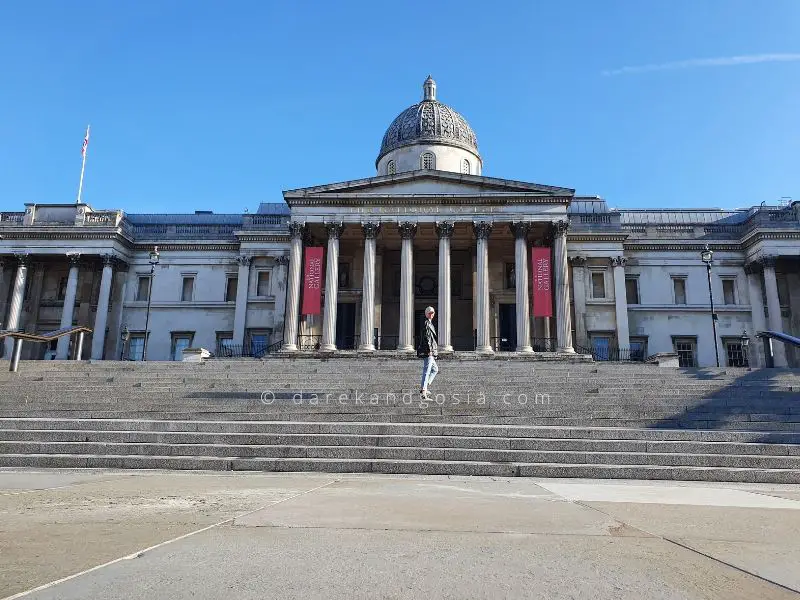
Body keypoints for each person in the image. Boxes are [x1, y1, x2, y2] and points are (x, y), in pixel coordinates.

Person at [418, 306, 438, 400]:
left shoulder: (430, 323)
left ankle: (425, 386)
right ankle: (423, 391)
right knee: (427, 371)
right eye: (429, 313)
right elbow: (427, 337)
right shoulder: (426, 323)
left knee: (435, 369)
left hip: (431, 351)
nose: (431, 314)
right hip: (428, 351)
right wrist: (429, 350)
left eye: (433, 312)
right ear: (426, 314)